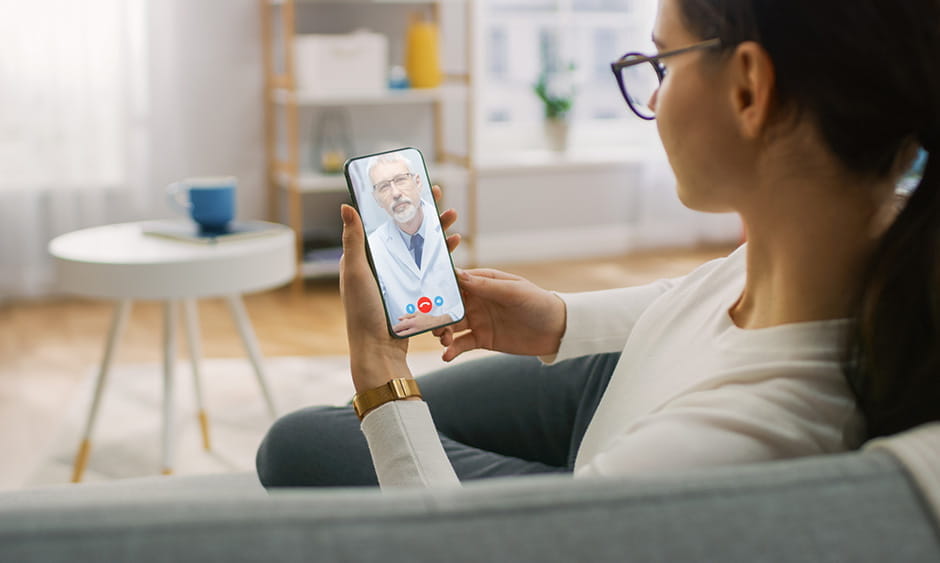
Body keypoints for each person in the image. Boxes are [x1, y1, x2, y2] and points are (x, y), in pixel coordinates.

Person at [256, 0, 940, 488]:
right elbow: (700, 293)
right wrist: (560, 318)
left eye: (660, 62)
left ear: (747, 88)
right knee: (313, 434)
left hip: (627, 445)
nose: (652, 93)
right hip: (636, 373)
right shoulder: (864, 238)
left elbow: (454, 548)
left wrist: (379, 363)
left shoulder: (734, 441)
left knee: (302, 442)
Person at [360, 152, 463, 337]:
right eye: (384, 187)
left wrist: (443, 319)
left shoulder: (443, 229)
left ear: (418, 182)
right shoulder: (374, 246)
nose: (396, 193)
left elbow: (461, 298)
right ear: (377, 199)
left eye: (400, 180)